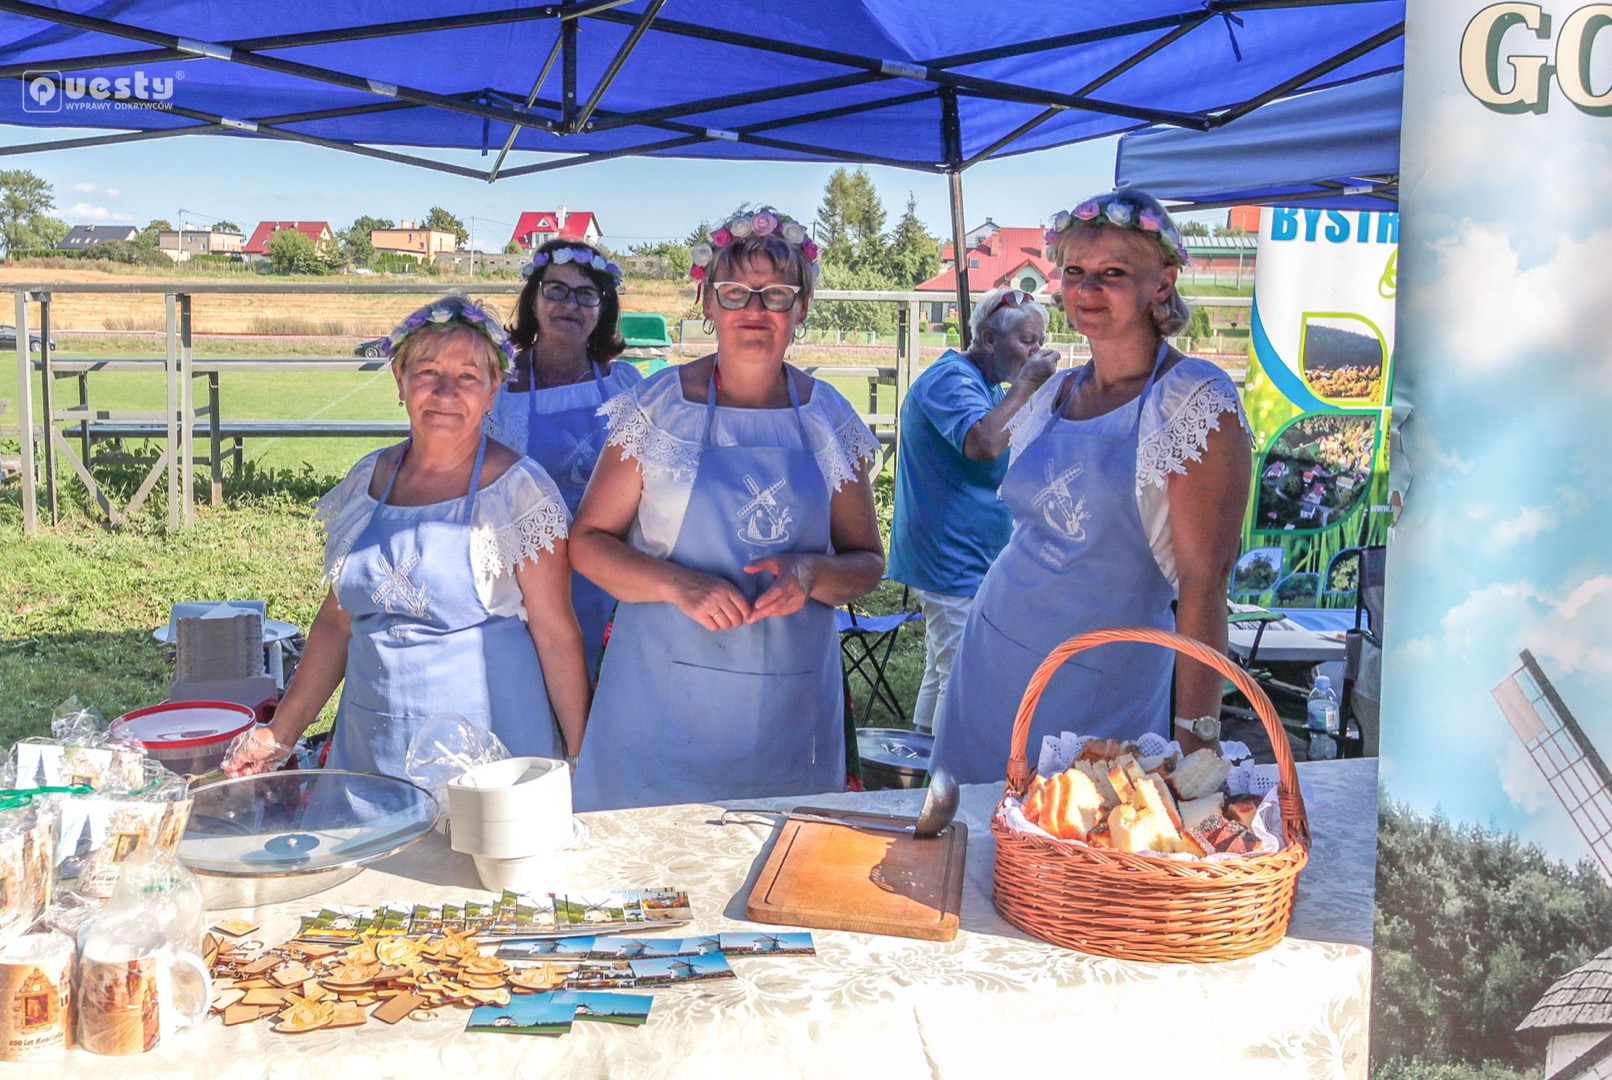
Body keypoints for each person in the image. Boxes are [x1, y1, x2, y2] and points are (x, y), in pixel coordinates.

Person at [568, 206, 885, 810]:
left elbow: (867, 561)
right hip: (658, 691)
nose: (755, 310)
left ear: (803, 307)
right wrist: (677, 584)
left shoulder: (828, 418)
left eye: (776, 294)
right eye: (736, 293)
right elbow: (587, 543)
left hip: (786, 705)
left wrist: (814, 573)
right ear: (708, 305)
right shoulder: (659, 408)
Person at [931, 190, 1251, 785]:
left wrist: (1196, 747)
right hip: (993, 656)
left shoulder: (1193, 402)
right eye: (1075, 272)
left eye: (1112, 274)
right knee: (970, 848)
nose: (1086, 290)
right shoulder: (1054, 392)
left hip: (1106, 686)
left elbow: (1205, 589)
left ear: (1163, 282)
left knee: (1083, 854)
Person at [225, 296, 591, 778]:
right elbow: (337, 625)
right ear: (399, 380)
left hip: (490, 765)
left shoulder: (520, 494)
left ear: (493, 390)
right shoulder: (367, 481)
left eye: (467, 376)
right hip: (370, 754)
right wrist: (280, 735)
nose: (445, 391)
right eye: (427, 372)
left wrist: (584, 760)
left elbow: (556, 635)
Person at [887, 286, 1060, 736]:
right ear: (988, 340)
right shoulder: (951, 379)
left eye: (1040, 341)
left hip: (968, 557)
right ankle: (949, 782)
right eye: (1027, 341)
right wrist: (1027, 385)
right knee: (963, 678)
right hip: (950, 557)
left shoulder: (984, 385)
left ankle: (919, 768)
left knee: (943, 668)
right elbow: (983, 443)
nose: (1035, 351)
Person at [487, 239, 641, 678]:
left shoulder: (625, 387)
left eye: (585, 294)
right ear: (533, 300)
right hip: (522, 583)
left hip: (610, 579)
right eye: (555, 290)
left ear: (602, 308)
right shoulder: (499, 392)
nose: (569, 305)